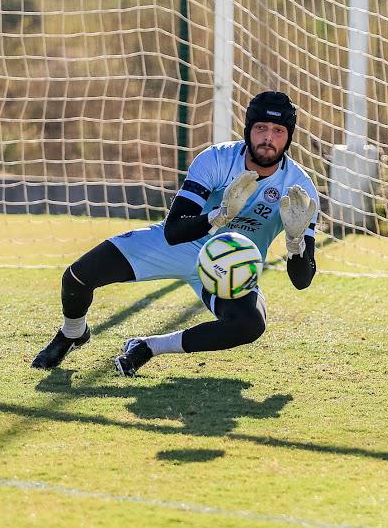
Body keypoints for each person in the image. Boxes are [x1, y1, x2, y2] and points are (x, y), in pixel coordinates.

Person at [31, 90, 321, 376]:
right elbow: (174, 230)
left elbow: (302, 280)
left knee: (250, 324)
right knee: (78, 277)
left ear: (289, 136)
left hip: (230, 267)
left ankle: (149, 347)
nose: (268, 138)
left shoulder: (300, 189)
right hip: (185, 243)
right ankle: (72, 333)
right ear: (248, 130)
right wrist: (218, 215)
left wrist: (296, 243)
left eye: (278, 130)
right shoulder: (216, 160)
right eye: (260, 128)